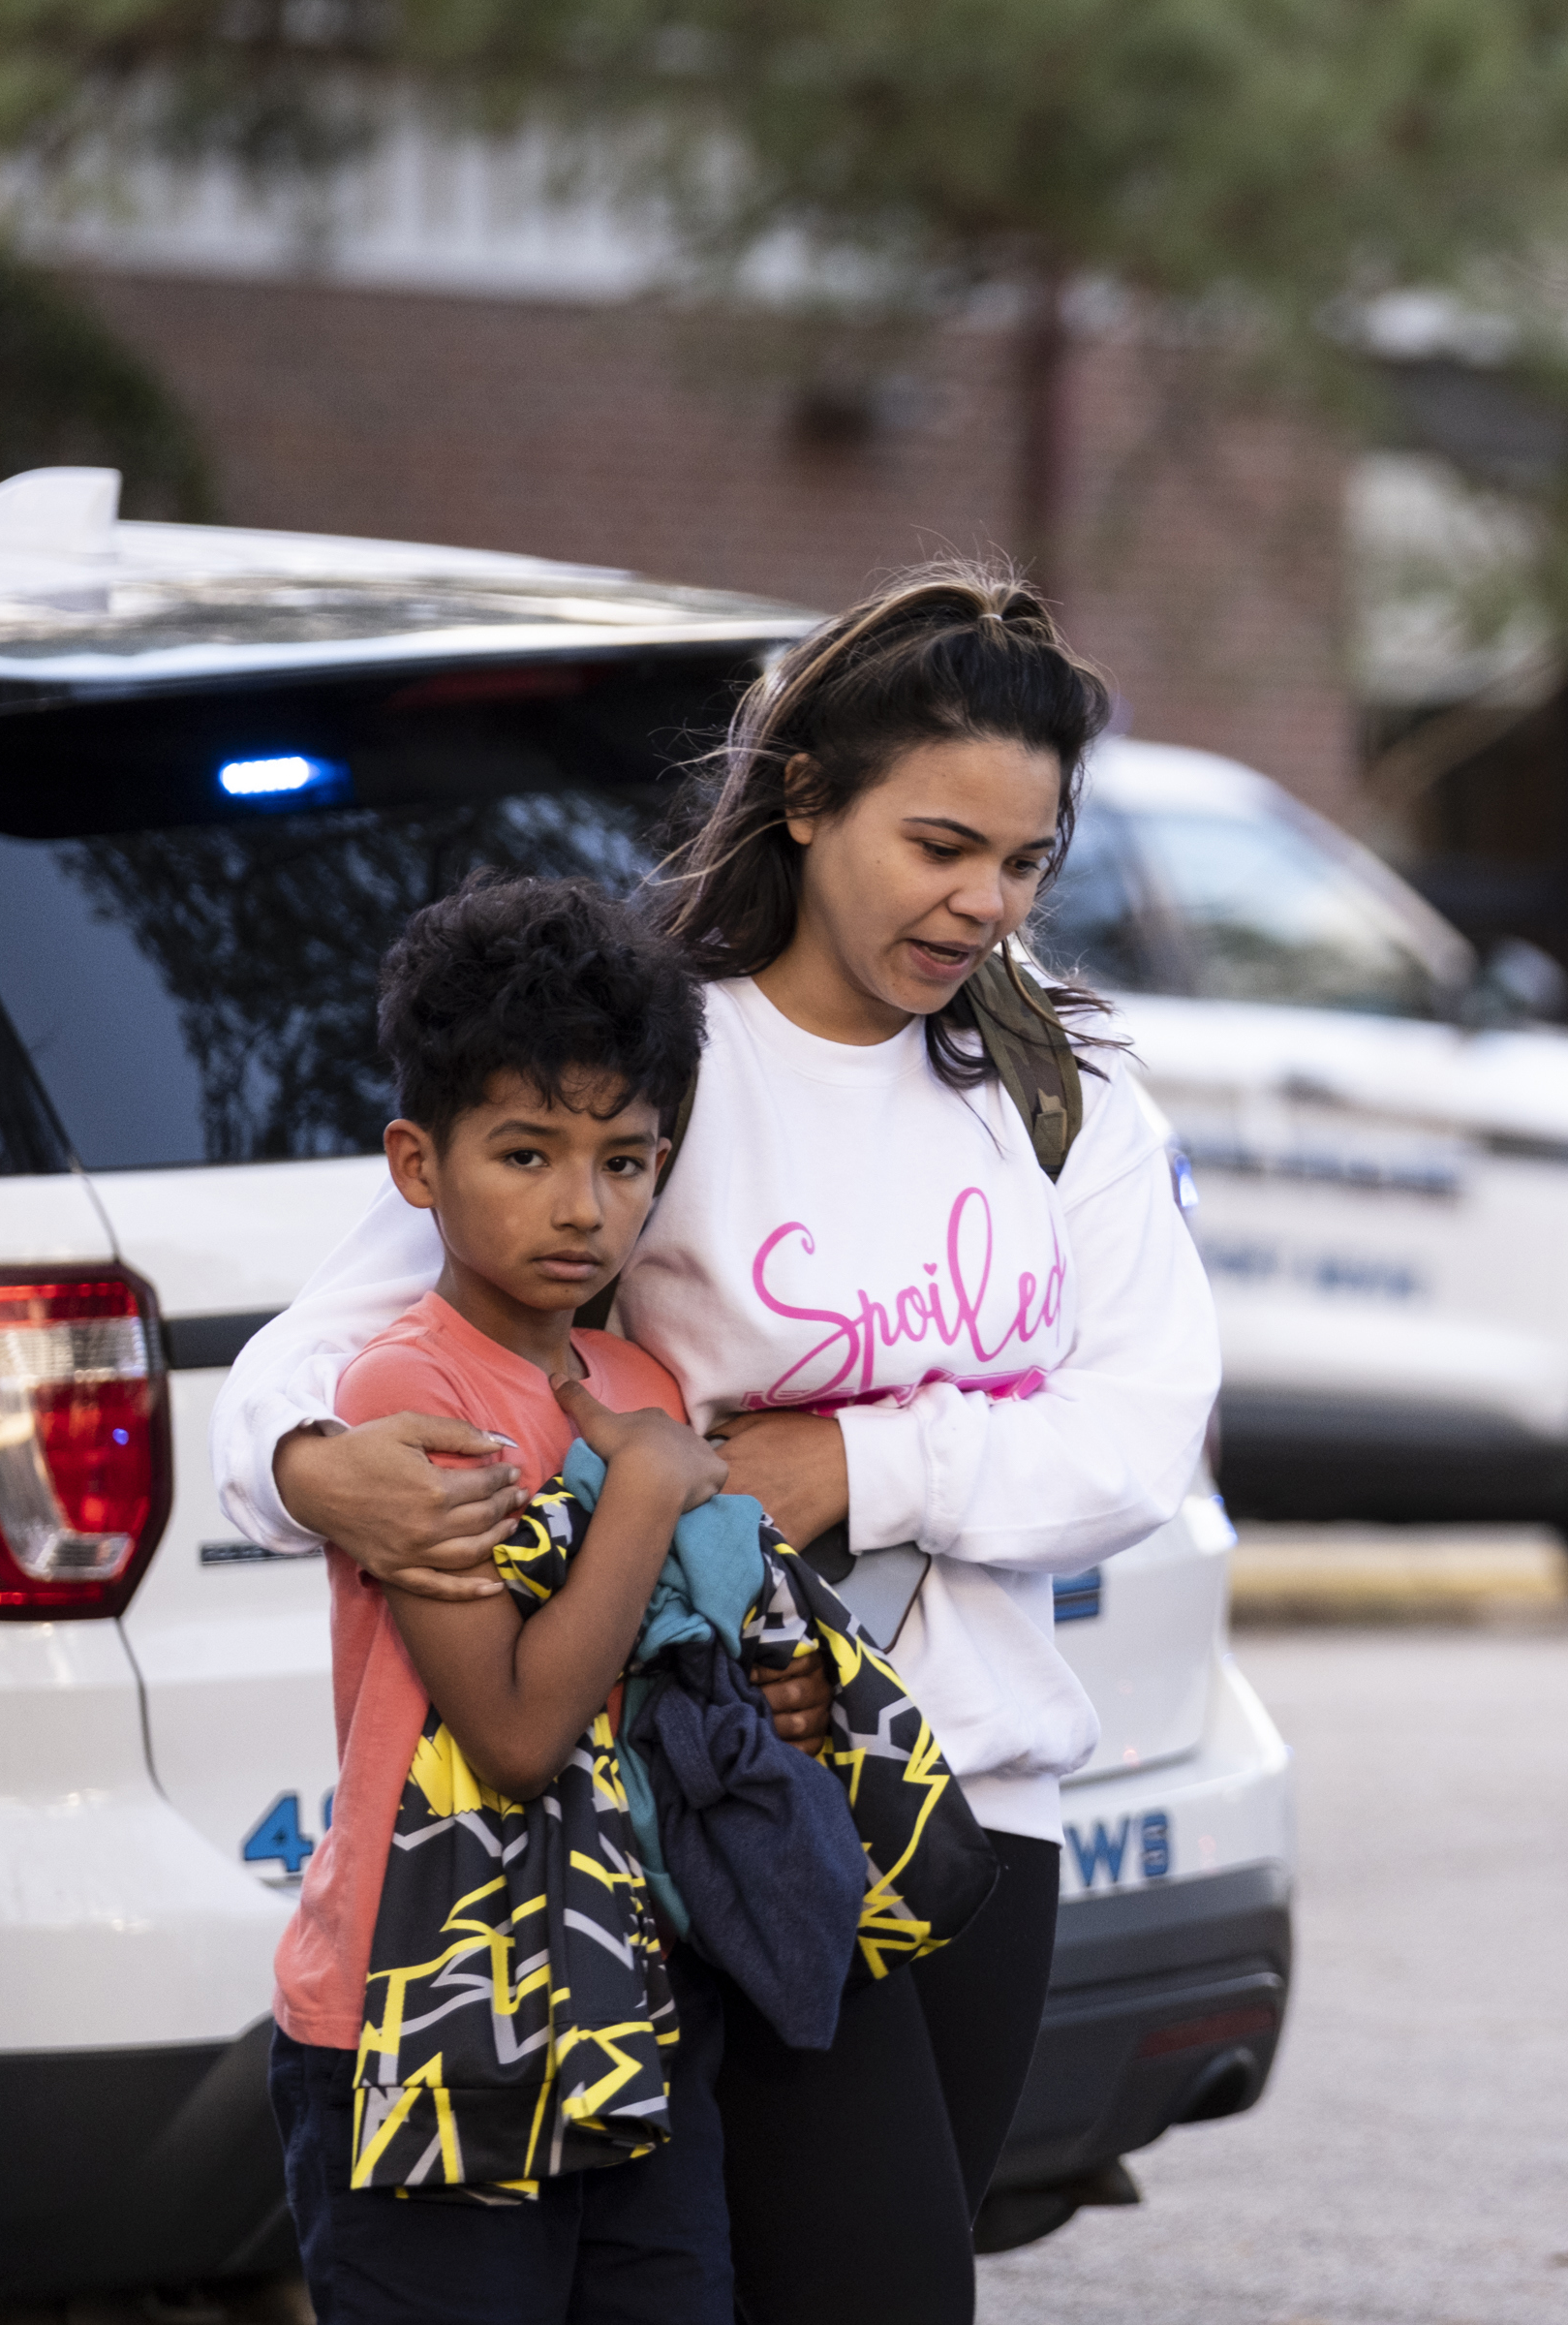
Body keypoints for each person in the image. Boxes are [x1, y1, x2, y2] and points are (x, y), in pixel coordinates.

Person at [215, 564, 1222, 2325]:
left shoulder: (1065, 1091)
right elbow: (329, 1350)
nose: (984, 903)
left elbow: (1141, 1435)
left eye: (1026, 861)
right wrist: (309, 1471)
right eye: (937, 848)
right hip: (735, 1805)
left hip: (978, 1807)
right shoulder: (662, 1059)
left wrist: (851, 1468)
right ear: (809, 799)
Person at [270, 872, 735, 2323]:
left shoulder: (642, 1385)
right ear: (418, 1164)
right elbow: (519, 1731)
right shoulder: (409, 1390)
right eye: (526, 1153)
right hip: (425, 2008)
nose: (581, 1207)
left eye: (624, 1160)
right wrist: (651, 1496)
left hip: (623, 1999)